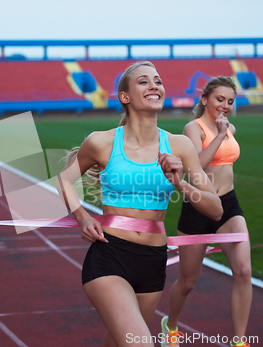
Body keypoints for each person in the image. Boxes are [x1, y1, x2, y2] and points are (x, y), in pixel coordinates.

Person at [56, 61, 223, 347]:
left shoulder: (179, 145)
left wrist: (180, 183)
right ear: (125, 97)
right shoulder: (101, 142)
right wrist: (83, 216)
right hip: (110, 256)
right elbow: (64, 178)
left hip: (153, 262)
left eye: (157, 81)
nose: (154, 86)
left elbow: (215, 209)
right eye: (144, 82)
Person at [161, 76, 252, 347]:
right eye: (220, 99)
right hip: (199, 207)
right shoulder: (194, 127)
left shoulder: (230, 127)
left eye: (230, 101)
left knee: (244, 271)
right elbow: (194, 166)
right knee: (188, 281)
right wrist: (221, 135)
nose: (225, 106)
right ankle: (172, 326)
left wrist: (226, 131)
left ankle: (239, 342)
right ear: (205, 100)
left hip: (228, 206)